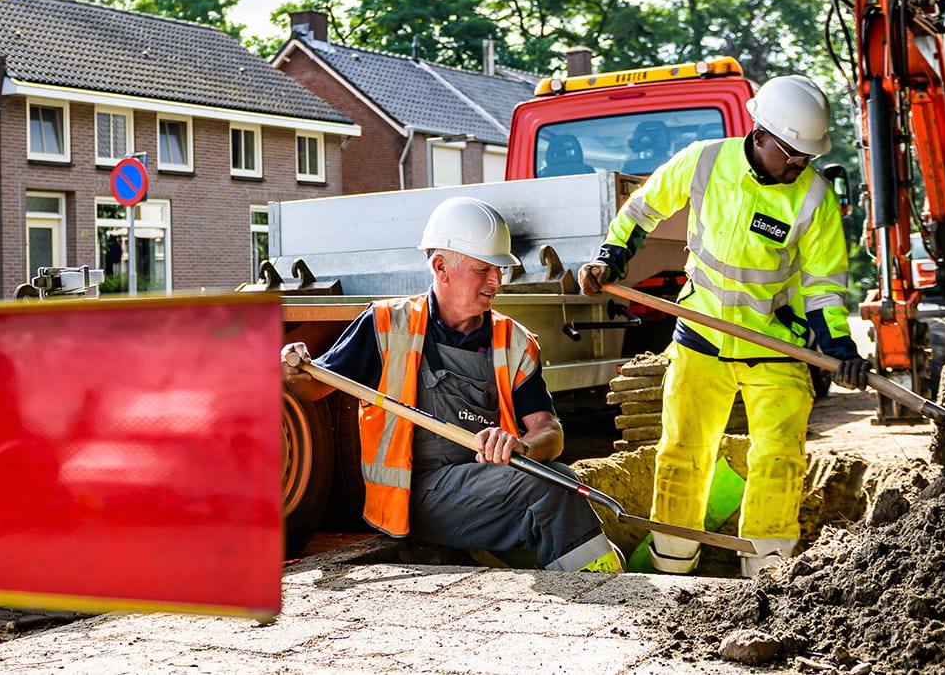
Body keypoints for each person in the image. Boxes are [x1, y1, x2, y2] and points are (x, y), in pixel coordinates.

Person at [577, 75, 865, 578]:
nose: (800, 162)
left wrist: (840, 345)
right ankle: (670, 566)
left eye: (807, 156)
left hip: (777, 345)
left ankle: (768, 571)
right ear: (761, 135)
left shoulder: (815, 198)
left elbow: (823, 285)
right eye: (793, 152)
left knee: (779, 456)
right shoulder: (706, 160)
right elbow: (642, 209)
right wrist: (610, 258)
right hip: (701, 336)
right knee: (682, 450)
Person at [282, 196, 623, 573]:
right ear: (440, 266)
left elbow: (550, 431)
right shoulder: (387, 324)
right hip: (414, 496)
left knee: (563, 486)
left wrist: (521, 445)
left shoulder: (512, 340)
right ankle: (606, 588)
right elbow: (312, 388)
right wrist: (296, 371)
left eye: (500, 269)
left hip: (487, 482)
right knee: (550, 490)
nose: (497, 280)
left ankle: (602, 576)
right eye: (483, 269)